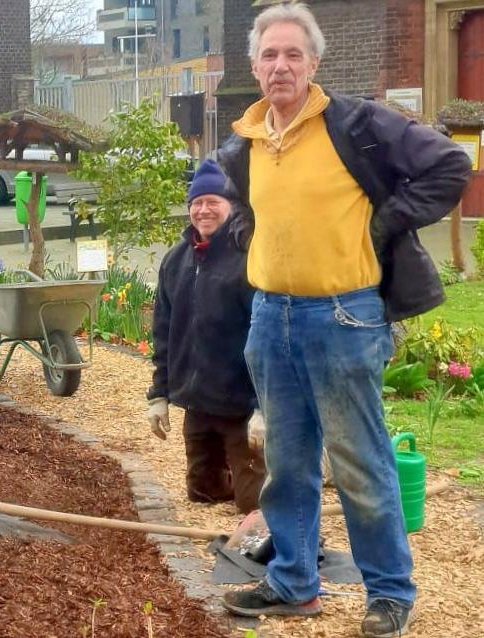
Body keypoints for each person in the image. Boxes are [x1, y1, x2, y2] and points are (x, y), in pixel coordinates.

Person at [215, 3, 471, 636]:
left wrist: (380, 225)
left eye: (293, 54)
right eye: (270, 55)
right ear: (254, 65)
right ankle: (294, 582)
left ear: (314, 64)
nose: (280, 65)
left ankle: (388, 593)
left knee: (359, 461)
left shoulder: (355, 124)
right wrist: (255, 243)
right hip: (271, 318)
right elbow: (245, 209)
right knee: (288, 462)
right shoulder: (244, 142)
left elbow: (449, 166)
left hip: (344, 317)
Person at [146, 159, 265, 515]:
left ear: (231, 206)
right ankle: (239, 471)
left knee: (253, 506)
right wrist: (159, 394)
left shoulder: (249, 259)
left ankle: (294, 469)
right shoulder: (176, 260)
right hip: (198, 404)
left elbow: (267, 338)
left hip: (240, 407)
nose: (204, 210)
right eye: (197, 203)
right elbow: (164, 333)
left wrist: (264, 406)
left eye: (213, 201)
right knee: (203, 493)